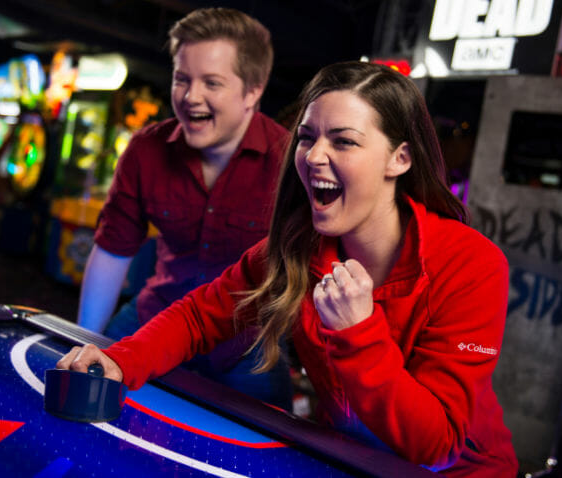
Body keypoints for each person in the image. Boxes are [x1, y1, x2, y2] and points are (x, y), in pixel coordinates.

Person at [60, 61, 518, 476]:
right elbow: (201, 316)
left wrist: (360, 335)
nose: (314, 156)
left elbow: (435, 446)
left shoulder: (472, 264)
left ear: (399, 158)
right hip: (346, 459)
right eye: (306, 137)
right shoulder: (298, 246)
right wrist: (120, 360)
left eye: (343, 141)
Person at [77, 8, 292, 409]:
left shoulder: (290, 161)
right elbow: (112, 252)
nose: (190, 96)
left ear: (253, 91)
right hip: (152, 318)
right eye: (181, 79)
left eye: (211, 82)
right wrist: (84, 341)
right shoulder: (145, 149)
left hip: (245, 345)